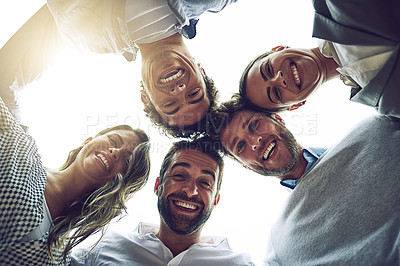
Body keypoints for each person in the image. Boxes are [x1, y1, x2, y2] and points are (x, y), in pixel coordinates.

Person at [1, 0, 237, 137]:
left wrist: (23, 145)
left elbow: (6, 77)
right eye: (193, 94)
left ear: (145, 97)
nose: (179, 90)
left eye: (170, 104)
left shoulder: (83, 35)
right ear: (201, 71)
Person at [213, 94, 400, 264]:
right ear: (245, 165)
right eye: (240, 146)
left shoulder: (377, 126)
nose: (255, 142)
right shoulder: (278, 247)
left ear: (278, 118)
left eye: (254, 125)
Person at [0, 96, 151, 265]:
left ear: (122, 183)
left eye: (127, 160)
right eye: (114, 141)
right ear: (88, 141)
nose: (115, 151)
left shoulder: (60, 257)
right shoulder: (20, 148)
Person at [71, 137, 254, 265]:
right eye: (180, 175)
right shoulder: (102, 248)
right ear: (158, 185)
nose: (191, 191)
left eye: (205, 183)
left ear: (216, 200)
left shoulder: (240, 263)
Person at [239, 0, 400, 117]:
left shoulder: (328, 5)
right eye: (276, 94)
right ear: (296, 105)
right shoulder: (383, 106)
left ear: (280, 49)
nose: (279, 78)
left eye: (268, 69)